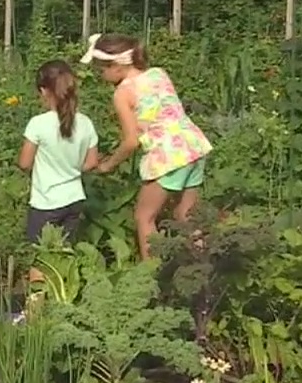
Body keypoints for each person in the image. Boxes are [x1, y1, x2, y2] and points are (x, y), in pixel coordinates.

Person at [81, 33, 212, 260]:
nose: (100, 75)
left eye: (101, 69)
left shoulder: (122, 93)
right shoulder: (158, 73)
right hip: (193, 146)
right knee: (186, 214)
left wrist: (107, 165)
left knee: (144, 217)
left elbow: (131, 141)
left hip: (167, 155)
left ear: (117, 66)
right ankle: (203, 265)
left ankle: (151, 273)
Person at [17, 60, 99, 245]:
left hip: (46, 202)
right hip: (75, 199)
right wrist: (71, 169)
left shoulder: (38, 123)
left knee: (40, 255)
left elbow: (24, 163)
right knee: (64, 252)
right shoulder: (85, 122)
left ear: (44, 91)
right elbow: (92, 163)